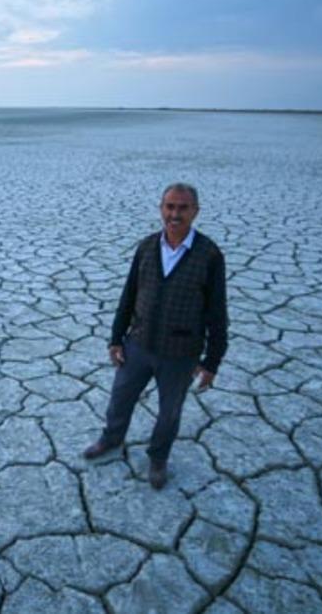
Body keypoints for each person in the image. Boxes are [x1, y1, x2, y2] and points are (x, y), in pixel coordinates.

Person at [84, 183, 229, 489]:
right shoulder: (147, 246)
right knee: (120, 398)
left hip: (181, 353)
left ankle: (158, 458)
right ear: (161, 208)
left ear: (195, 211)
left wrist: (212, 361)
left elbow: (217, 312)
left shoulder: (209, 254)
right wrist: (115, 338)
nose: (175, 214)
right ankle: (111, 440)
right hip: (138, 344)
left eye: (183, 207)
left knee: (169, 412)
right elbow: (129, 294)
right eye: (170, 206)